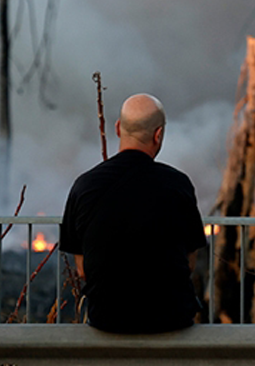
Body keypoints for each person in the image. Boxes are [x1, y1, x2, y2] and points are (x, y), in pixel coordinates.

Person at [59, 93, 207, 333]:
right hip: (171, 319)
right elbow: (189, 262)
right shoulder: (178, 185)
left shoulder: (84, 186)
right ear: (158, 135)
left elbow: (83, 269)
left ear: (118, 128)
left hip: (107, 320)